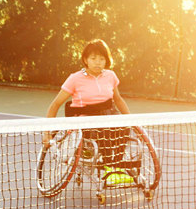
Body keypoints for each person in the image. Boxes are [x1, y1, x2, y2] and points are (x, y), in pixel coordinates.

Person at [43, 39, 132, 184]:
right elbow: (55, 105)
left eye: (102, 59)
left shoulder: (110, 76)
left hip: (109, 116)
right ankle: (111, 168)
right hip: (86, 121)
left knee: (124, 128)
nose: (98, 62)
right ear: (86, 60)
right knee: (104, 131)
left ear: (106, 60)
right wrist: (47, 134)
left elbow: (118, 99)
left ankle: (115, 165)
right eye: (93, 58)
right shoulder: (75, 79)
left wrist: (132, 121)